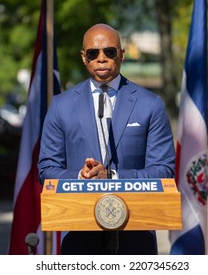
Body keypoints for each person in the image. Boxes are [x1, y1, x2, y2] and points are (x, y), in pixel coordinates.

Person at [38, 23, 176, 255]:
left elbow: (163, 170)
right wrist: (81, 176)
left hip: (135, 235)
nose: (101, 59)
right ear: (84, 58)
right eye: (93, 53)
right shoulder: (61, 106)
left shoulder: (150, 104)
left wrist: (113, 177)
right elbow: (46, 169)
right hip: (79, 236)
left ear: (121, 54)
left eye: (109, 52)